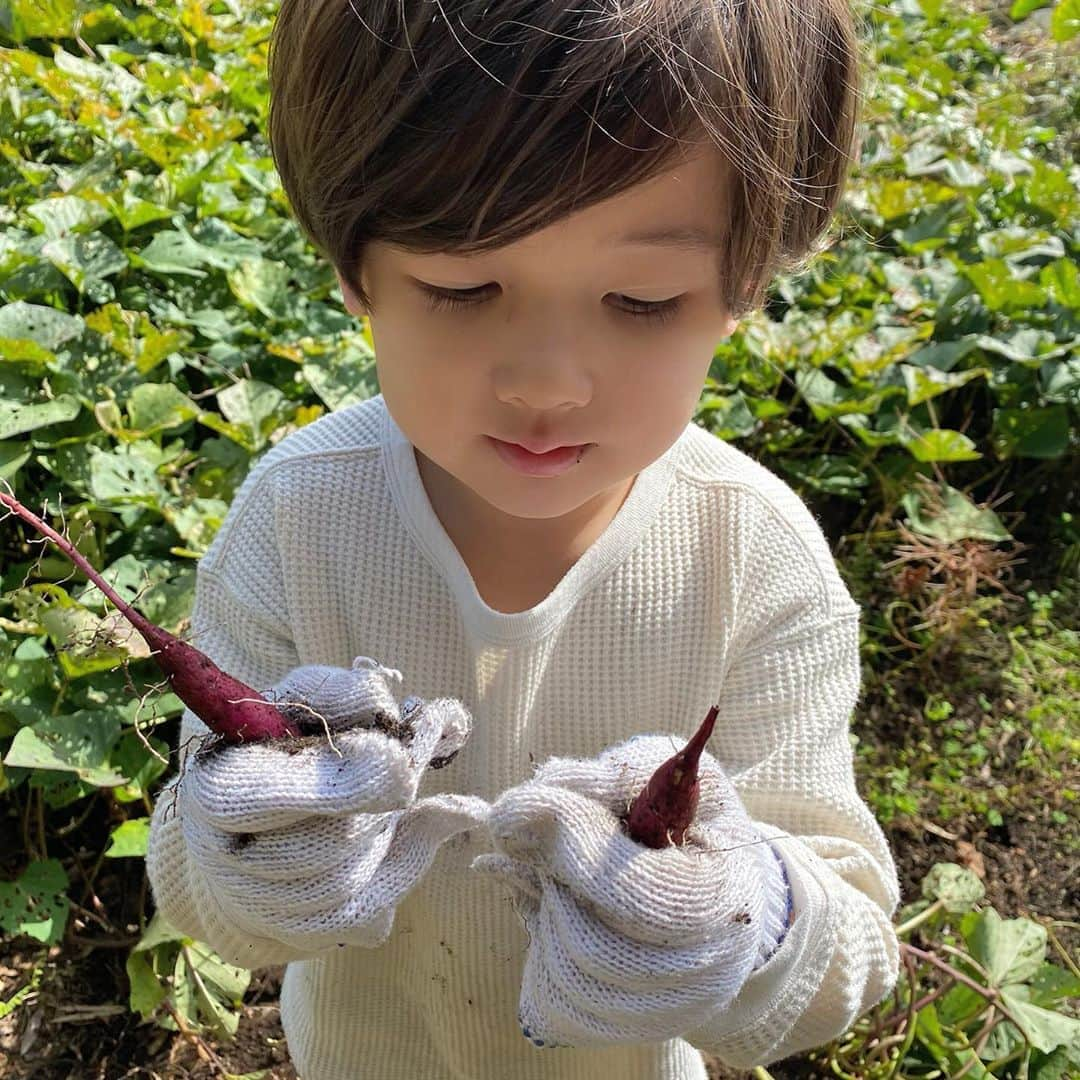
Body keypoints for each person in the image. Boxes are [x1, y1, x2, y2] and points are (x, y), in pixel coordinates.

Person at [145, 1, 902, 1077]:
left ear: (744, 287)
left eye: (641, 302)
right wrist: (255, 863)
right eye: (461, 287)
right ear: (355, 268)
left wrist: (747, 917)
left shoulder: (755, 561)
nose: (546, 382)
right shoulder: (298, 517)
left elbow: (851, 955)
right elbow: (206, 895)